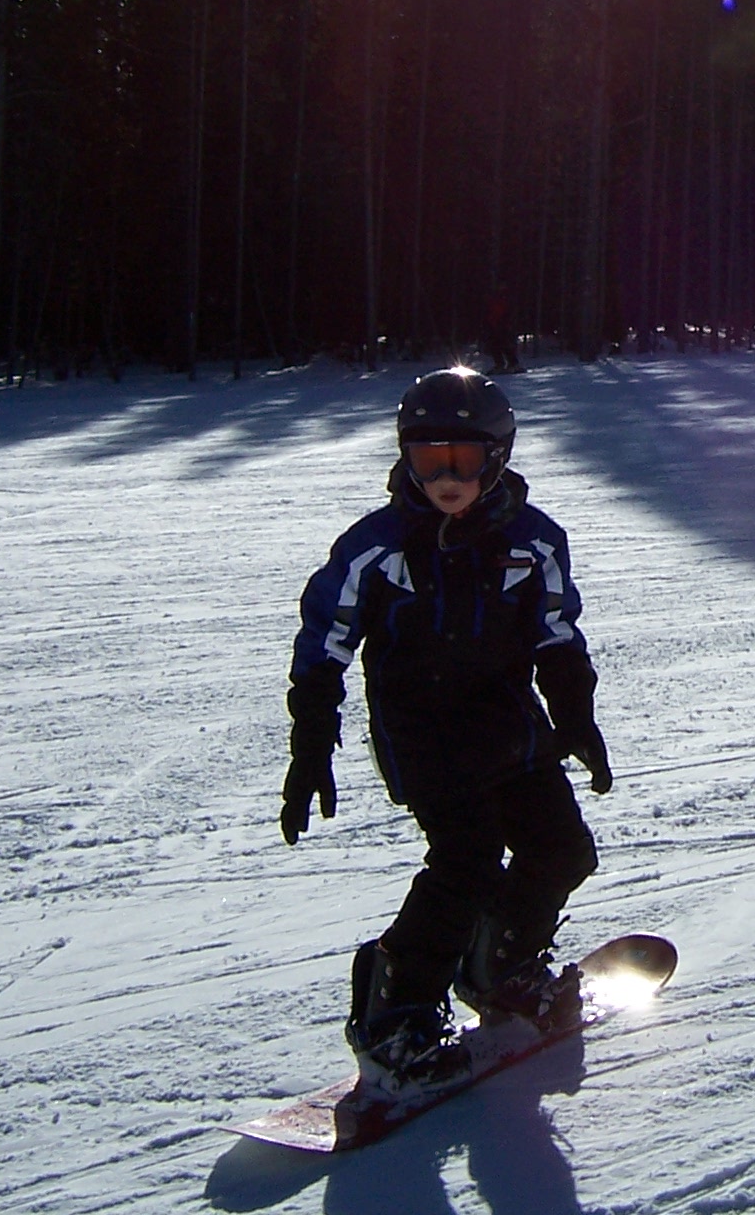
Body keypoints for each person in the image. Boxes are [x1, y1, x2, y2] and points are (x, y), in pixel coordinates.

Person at [278, 367, 613, 1087]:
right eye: (428, 460)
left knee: (562, 849)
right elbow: (324, 641)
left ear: (498, 457)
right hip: (422, 732)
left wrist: (576, 715)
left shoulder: (534, 540)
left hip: (508, 724)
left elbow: (557, 633)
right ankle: (394, 1011)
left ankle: (502, 964)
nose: (445, 477)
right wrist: (311, 741)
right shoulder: (380, 546)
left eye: (462, 461)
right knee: (465, 861)